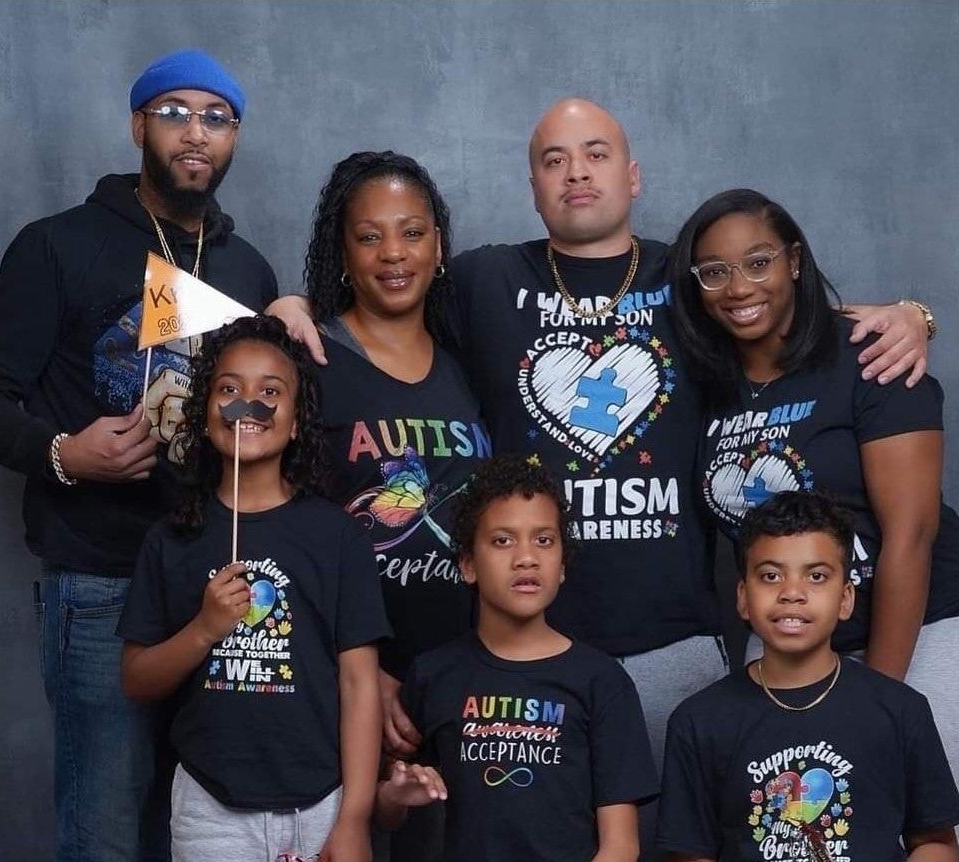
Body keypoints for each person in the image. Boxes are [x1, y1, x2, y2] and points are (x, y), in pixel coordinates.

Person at [269, 99, 931, 838]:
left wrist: (907, 314)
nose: (575, 172)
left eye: (595, 153)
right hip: (526, 649)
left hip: (674, 647)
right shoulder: (483, 282)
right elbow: (384, 289)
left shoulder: (686, 280)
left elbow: (778, 309)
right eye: (554, 160)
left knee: (683, 842)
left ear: (633, 175)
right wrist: (291, 306)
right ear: (531, 184)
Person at [0, 49, 278, 861]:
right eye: (174, 112)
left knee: (199, 830)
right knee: (106, 830)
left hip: (212, 583)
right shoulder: (57, 247)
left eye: (216, 118)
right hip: (99, 583)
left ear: (233, 139)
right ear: (138, 125)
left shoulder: (244, 266)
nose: (196, 133)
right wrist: (60, 452)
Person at [669, 188, 959, 781]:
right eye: (715, 272)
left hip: (922, 626)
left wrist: (874, 697)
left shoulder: (866, 356)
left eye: (758, 262)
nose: (740, 287)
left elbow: (912, 533)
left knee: (909, 811)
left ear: (794, 262)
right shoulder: (708, 386)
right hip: (790, 630)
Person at [117, 315, 390, 862]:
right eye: (229, 389)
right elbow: (136, 681)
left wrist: (355, 816)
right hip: (210, 805)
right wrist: (204, 629)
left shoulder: (336, 536)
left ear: (295, 422)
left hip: (322, 800)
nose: (249, 405)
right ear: (206, 413)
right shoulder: (173, 539)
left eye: (270, 391)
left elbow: (361, 685)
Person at [306, 151, 491, 860]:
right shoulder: (313, 360)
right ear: (342, 250)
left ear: (438, 246)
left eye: (411, 232)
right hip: (349, 677)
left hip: (461, 676)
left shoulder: (466, 362)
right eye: (369, 235)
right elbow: (286, 534)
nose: (393, 254)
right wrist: (363, 670)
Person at [377, 454, 657, 862]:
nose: (526, 557)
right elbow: (386, 819)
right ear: (469, 565)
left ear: (562, 564)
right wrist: (395, 794)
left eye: (543, 540)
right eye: (503, 540)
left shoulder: (602, 682)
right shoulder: (434, 674)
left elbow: (621, 847)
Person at [656, 491, 959, 861]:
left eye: (816, 576)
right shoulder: (698, 721)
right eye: (770, 576)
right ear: (742, 598)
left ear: (845, 598)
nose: (792, 593)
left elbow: (936, 841)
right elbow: (690, 854)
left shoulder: (900, 710)